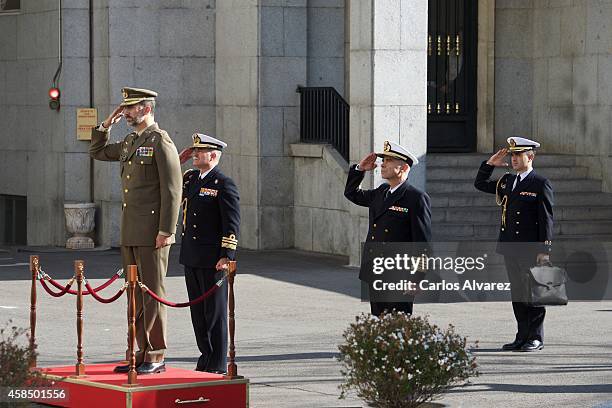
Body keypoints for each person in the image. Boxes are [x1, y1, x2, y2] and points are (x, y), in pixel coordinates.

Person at [89, 87, 182, 374]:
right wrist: (106, 125)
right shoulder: (130, 141)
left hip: (153, 232)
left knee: (152, 293)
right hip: (131, 231)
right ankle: (139, 352)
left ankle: (156, 355)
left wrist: (166, 230)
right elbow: (98, 152)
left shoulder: (160, 141)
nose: (126, 112)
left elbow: (172, 190)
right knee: (134, 294)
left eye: (130, 108)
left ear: (146, 109)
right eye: (125, 108)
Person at [474, 136, 553, 352]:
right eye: (513, 155)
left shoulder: (540, 183)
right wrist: (490, 164)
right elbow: (480, 184)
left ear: (530, 156)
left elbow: (546, 219)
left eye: (519, 155)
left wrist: (544, 250)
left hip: (531, 249)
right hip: (510, 247)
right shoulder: (508, 181)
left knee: (533, 294)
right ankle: (521, 336)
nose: (514, 159)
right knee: (518, 294)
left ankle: (535, 337)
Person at [344, 141, 432, 316]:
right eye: (383, 160)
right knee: (379, 322)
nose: (382, 164)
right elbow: (351, 193)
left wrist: (417, 278)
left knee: (398, 326)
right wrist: (360, 169)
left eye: (389, 160)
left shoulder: (416, 198)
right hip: (375, 271)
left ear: (403, 167)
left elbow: (423, 243)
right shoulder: (381, 192)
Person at [178, 133, 240, 374]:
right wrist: (177, 161)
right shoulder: (190, 178)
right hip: (191, 256)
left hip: (214, 259)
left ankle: (216, 362)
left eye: (199, 151)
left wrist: (228, 255)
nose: (194, 154)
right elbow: (171, 186)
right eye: (194, 150)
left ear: (213, 155)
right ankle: (205, 356)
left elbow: (232, 222)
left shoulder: (223, 183)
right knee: (198, 312)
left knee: (214, 313)